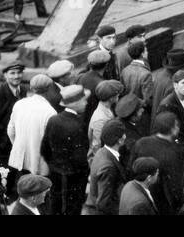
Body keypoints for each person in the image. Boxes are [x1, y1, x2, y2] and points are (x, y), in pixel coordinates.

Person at [42, 83, 90, 216]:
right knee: (72, 208)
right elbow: (80, 159)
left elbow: (44, 149)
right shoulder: (78, 125)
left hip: (56, 174)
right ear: (75, 103)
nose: (86, 103)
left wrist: (54, 165)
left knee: (56, 205)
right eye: (84, 100)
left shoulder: (53, 120)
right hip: (75, 178)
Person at [8, 72, 57, 177]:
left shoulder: (19, 104)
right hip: (37, 165)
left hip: (17, 161)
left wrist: (18, 146)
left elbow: (10, 131)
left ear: (31, 87)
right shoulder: (50, 112)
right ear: (49, 89)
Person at [83, 119, 128, 215]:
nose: (125, 136)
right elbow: (104, 203)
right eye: (123, 134)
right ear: (119, 140)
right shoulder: (108, 167)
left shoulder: (101, 152)